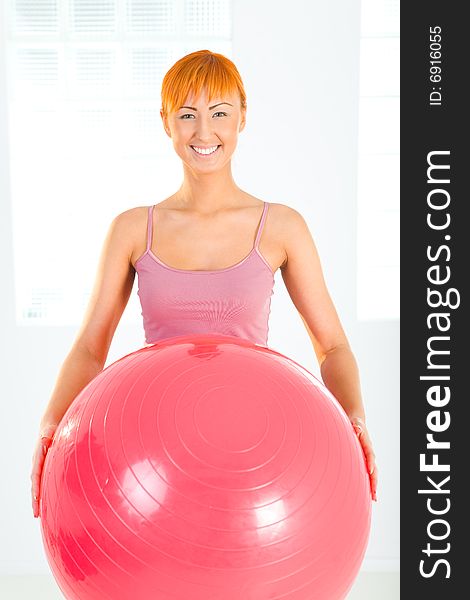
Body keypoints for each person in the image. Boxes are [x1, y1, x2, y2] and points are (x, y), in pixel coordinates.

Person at [31, 49, 378, 518]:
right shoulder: (133, 230)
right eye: (187, 115)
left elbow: (332, 346)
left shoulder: (281, 227)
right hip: (155, 451)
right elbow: (91, 349)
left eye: (219, 113)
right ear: (165, 122)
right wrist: (51, 426)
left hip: (253, 444)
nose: (204, 132)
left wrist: (354, 419)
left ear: (242, 117)